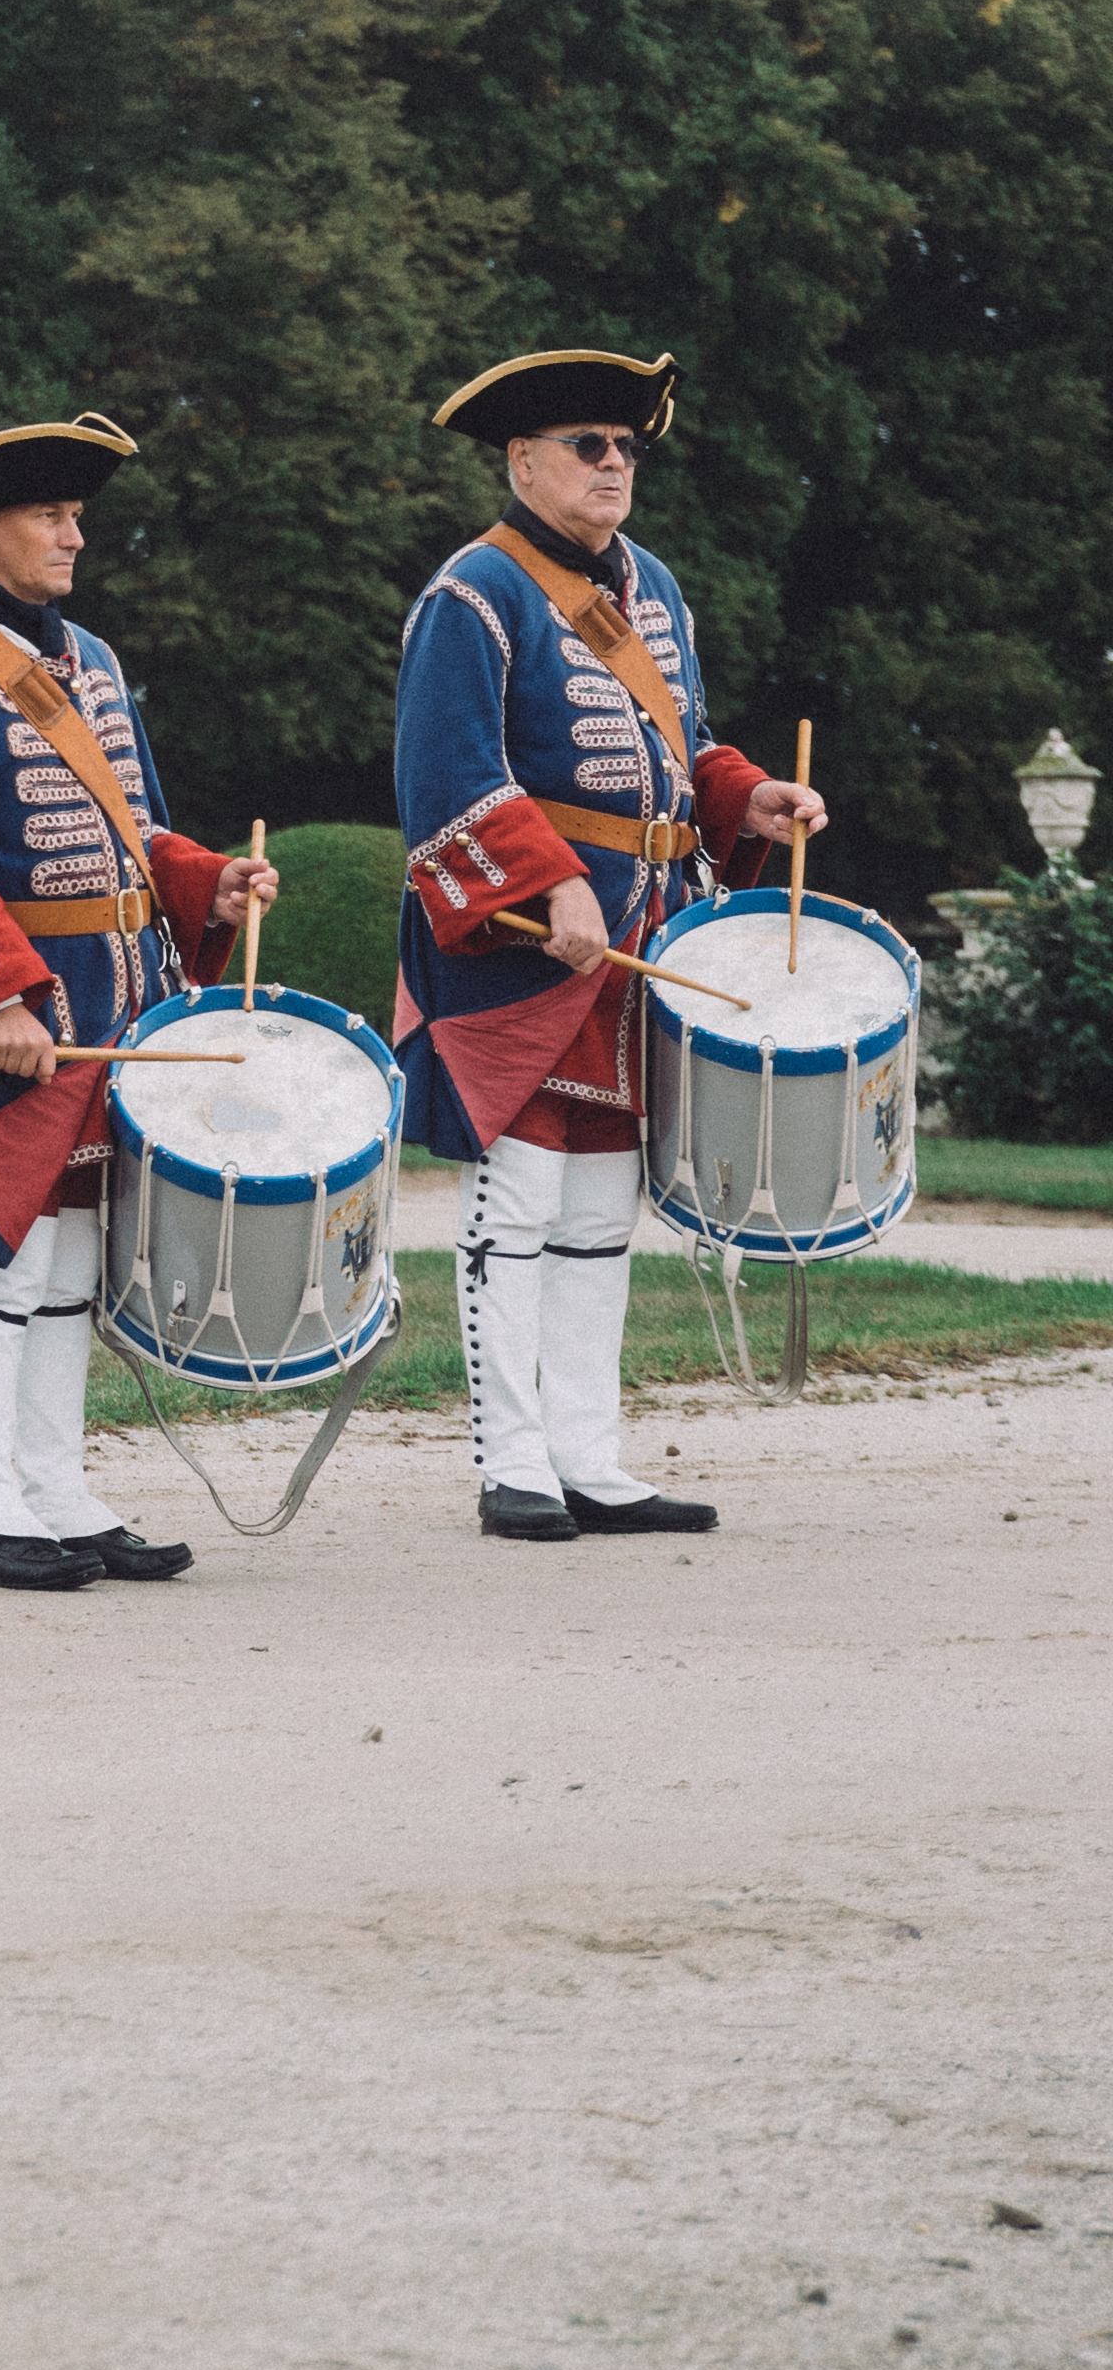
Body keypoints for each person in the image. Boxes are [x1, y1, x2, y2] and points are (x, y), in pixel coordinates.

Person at [395, 349, 826, 1543]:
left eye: (625, 446)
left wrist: (744, 798)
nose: (611, 463)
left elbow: (680, 745)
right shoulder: (471, 593)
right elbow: (443, 776)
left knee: (598, 1201)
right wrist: (544, 887)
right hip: (521, 941)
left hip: (635, 929)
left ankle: (589, 1456)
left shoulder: (656, 588)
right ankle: (509, 1462)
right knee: (519, 1194)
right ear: (520, 459)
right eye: (586, 444)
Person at [0, 414, 278, 1596]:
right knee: (10, 1261)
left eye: (75, 514)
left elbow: (127, 831)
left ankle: (54, 1489)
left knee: (77, 1262)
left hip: (113, 1005)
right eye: (48, 514)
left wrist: (207, 882)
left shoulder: (86, 658)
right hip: (18, 1018)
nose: (72, 535)